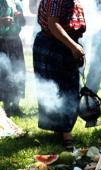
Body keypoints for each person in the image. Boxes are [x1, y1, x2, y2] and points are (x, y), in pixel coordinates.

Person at [33, 0, 86, 150]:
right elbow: (53, 25)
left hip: (66, 46)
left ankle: (63, 127)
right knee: (56, 89)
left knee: (69, 87)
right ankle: (64, 131)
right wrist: (73, 46)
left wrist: (75, 46)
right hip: (51, 46)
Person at [0, 0, 26, 117]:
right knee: (5, 75)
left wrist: (20, 18)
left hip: (15, 40)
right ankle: (6, 107)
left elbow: (23, 22)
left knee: (19, 72)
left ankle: (16, 105)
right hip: (1, 41)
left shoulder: (17, 1)